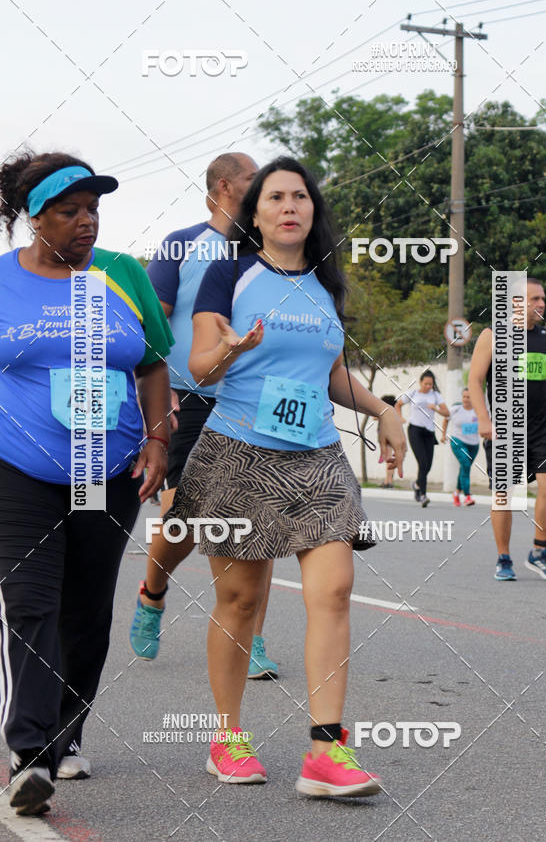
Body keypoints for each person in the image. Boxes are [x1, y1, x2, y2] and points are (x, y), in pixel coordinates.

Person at [150, 156, 407, 795]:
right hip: (238, 453)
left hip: (316, 456)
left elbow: (332, 376)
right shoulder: (229, 273)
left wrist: (383, 410)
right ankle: (228, 738)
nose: (289, 206)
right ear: (255, 213)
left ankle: (325, 751)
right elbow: (200, 365)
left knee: (335, 589)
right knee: (241, 600)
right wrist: (229, 348)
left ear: (313, 211)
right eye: (275, 197)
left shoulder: (325, 283)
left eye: (300, 196)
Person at [0, 151, 173, 816]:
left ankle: (66, 734)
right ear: (34, 218)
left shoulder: (122, 276)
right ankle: (29, 754)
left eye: (93, 209)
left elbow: (152, 364)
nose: (86, 222)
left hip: (104, 470)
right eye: (69, 211)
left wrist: (158, 440)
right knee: (30, 603)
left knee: (87, 608)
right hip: (19, 470)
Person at [129, 153, 278, 679]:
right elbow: (150, 325)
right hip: (190, 396)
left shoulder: (266, 252)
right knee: (185, 520)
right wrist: (156, 395)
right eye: (253, 179)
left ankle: (249, 637)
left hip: (250, 400)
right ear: (225, 186)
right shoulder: (183, 244)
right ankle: (152, 593)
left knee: (257, 518)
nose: (263, 186)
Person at [469, 277, 546, 581]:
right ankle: (504, 557)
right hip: (504, 428)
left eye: (543, 299)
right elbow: (475, 380)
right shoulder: (493, 334)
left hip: (540, 426)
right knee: (505, 494)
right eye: (535, 299)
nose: (541, 304)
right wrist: (484, 419)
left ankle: (539, 550)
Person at [396, 370, 449, 507]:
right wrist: (400, 417)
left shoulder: (436, 395)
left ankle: (417, 484)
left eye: (430, 384)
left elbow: (446, 412)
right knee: (423, 462)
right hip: (415, 430)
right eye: (426, 384)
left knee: (428, 465)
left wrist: (436, 409)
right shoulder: (413, 394)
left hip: (429, 432)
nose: (428, 386)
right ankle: (423, 495)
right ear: (420, 382)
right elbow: (398, 404)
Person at [441, 388, 479, 506]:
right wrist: (443, 435)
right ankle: (467, 496)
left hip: (474, 444)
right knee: (466, 465)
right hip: (458, 441)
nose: (466, 399)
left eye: (469, 397)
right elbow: (446, 420)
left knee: (465, 468)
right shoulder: (455, 409)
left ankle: (457, 492)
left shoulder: (478, 410)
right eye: (464, 397)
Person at [379, 395, 397, 487]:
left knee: (388, 459)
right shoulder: (394, 413)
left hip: (386, 438)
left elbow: (374, 417)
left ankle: (388, 481)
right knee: (390, 459)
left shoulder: (384, 413)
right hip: (392, 437)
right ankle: (389, 481)